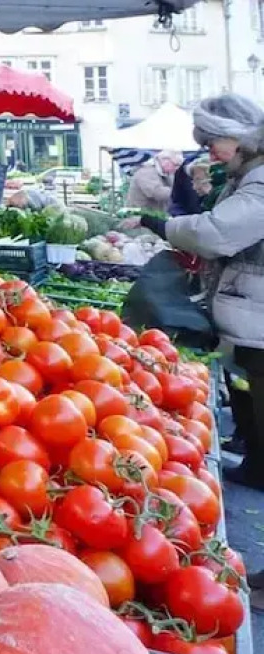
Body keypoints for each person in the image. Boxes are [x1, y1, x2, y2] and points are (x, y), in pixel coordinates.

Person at [124, 94, 264, 490]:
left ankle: (259, 467)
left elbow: (217, 233)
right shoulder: (246, 174)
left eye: (211, 143)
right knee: (247, 385)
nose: (209, 153)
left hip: (257, 310)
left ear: (236, 136)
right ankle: (255, 463)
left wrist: (159, 225)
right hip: (250, 308)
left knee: (256, 384)